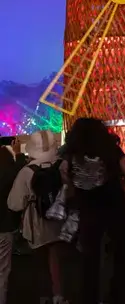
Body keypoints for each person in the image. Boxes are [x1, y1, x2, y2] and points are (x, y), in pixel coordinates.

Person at [61, 118, 125, 304]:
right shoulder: (110, 149)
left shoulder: (72, 153)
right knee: (120, 252)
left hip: (88, 208)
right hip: (114, 204)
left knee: (90, 256)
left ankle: (90, 297)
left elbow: (65, 175)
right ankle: (119, 295)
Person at [8, 130, 67, 304]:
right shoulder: (62, 166)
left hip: (36, 224)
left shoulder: (27, 171)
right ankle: (60, 295)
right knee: (57, 260)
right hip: (59, 219)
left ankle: (45, 297)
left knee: (40, 262)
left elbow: (14, 203)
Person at [0, 142, 22, 304]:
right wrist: (18, 154)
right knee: (2, 271)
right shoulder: (9, 174)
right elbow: (18, 172)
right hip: (4, 226)